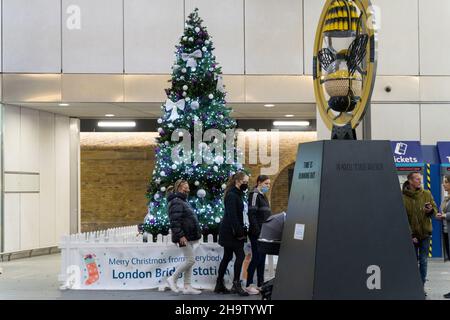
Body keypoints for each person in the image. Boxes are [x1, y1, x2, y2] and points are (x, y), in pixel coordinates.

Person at [214, 172, 250, 296]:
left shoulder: (237, 194)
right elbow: (232, 216)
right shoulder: (232, 195)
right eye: (245, 182)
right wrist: (240, 233)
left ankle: (219, 283)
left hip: (232, 231)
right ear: (238, 181)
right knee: (240, 256)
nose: (246, 184)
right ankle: (236, 284)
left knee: (227, 257)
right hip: (231, 232)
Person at [402, 172, 438, 293]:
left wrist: (430, 210)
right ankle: (410, 286)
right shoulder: (403, 197)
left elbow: (435, 211)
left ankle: (420, 287)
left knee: (423, 261)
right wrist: (410, 235)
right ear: (410, 181)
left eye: (420, 179)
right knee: (411, 262)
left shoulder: (426, 194)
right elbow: (402, 218)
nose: (420, 181)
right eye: (417, 179)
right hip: (410, 236)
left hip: (425, 234)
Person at [165, 179, 202, 295]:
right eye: (186, 187)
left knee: (189, 261)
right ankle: (173, 278)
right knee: (191, 260)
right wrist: (181, 236)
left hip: (188, 236)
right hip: (183, 237)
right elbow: (174, 221)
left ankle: (187, 286)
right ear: (181, 188)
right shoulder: (177, 201)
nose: (189, 189)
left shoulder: (183, 200)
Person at [245, 175, 272, 295]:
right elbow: (252, 214)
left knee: (262, 258)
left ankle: (261, 284)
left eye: (269, 184)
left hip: (264, 232)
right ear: (259, 183)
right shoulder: (254, 195)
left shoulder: (263, 196)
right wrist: (257, 231)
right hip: (257, 233)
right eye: (266, 183)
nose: (268, 186)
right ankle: (249, 284)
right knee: (256, 258)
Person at [436, 175, 450, 298]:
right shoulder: (446, 198)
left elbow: (447, 214)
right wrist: (439, 215)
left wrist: (445, 216)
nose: (444, 184)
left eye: (446, 182)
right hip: (446, 232)